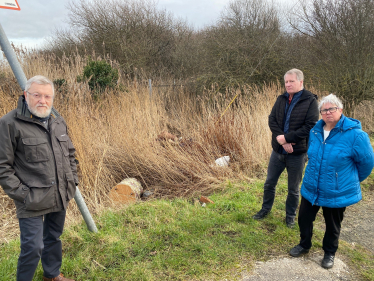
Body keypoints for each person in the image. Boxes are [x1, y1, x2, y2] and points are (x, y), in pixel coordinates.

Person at [0, 75, 78, 281]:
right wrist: (23, 195)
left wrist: (72, 181)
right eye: (37, 95)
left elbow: (70, 154)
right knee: (33, 247)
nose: (42, 101)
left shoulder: (58, 122)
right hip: (31, 199)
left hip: (60, 193)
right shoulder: (9, 123)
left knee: (53, 237)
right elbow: (2, 166)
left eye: (47, 96)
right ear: (26, 95)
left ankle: (52, 275)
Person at [289, 94, 374, 269]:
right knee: (304, 218)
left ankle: (329, 253)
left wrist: (348, 181)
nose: (327, 113)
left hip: (336, 190)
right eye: (324, 110)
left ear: (340, 110)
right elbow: (311, 155)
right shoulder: (315, 131)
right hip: (311, 186)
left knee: (332, 225)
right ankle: (304, 245)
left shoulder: (356, 136)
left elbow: (366, 163)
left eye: (331, 109)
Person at [253, 69, 319, 228]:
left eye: (291, 81)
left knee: (293, 189)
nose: (288, 85)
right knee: (269, 183)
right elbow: (272, 120)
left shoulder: (310, 101)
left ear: (301, 82)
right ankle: (265, 209)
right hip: (278, 152)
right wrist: (282, 140)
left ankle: (290, 216)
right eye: (286, 82)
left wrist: (288, 138)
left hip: (297, 154)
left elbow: (310, 126)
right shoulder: (281, 98)